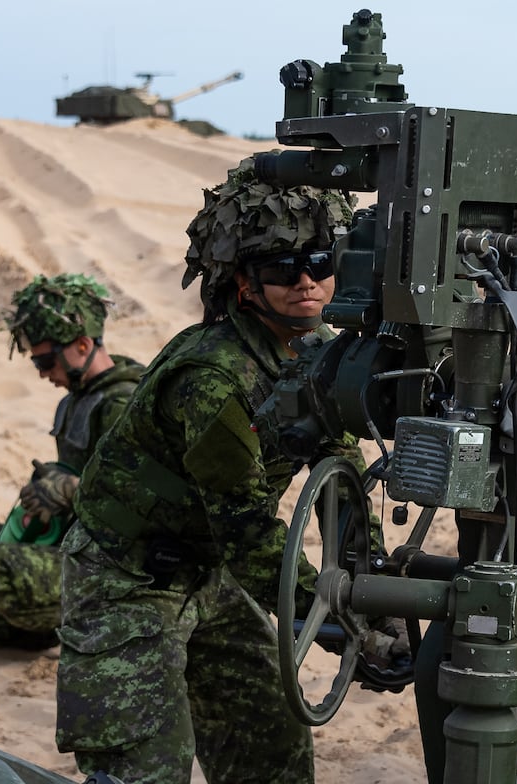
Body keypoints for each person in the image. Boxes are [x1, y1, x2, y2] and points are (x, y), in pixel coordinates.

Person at [54, 156, 382, 784]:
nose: (306, 283)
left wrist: (370, 592)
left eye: (321, 264)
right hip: (126, 581)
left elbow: (343, 476)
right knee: (146, 773)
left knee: (273, 754)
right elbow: (249, 535)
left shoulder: (319, 357)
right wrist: (341, 621)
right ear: (242, 282)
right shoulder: (213, 379)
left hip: (213, 576)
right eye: (281, 269)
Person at [0, 273, 145, 650]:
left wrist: (69, 490)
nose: (42, 373)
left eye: (46, 360)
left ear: (83, 344)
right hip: (76, 544)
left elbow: (140, 504)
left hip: (115, 568)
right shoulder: (76, 399)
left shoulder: (122, 403)